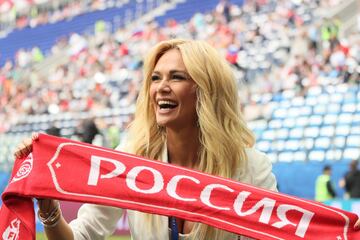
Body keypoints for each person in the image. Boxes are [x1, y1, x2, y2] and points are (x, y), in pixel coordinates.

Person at [14, 38, 359, 239]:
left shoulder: (251, 166)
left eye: (177, 77)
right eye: (155, 77)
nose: (161, 87)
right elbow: (82, 236)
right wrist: (49, 212)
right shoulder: (130, 159)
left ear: (205, 91)